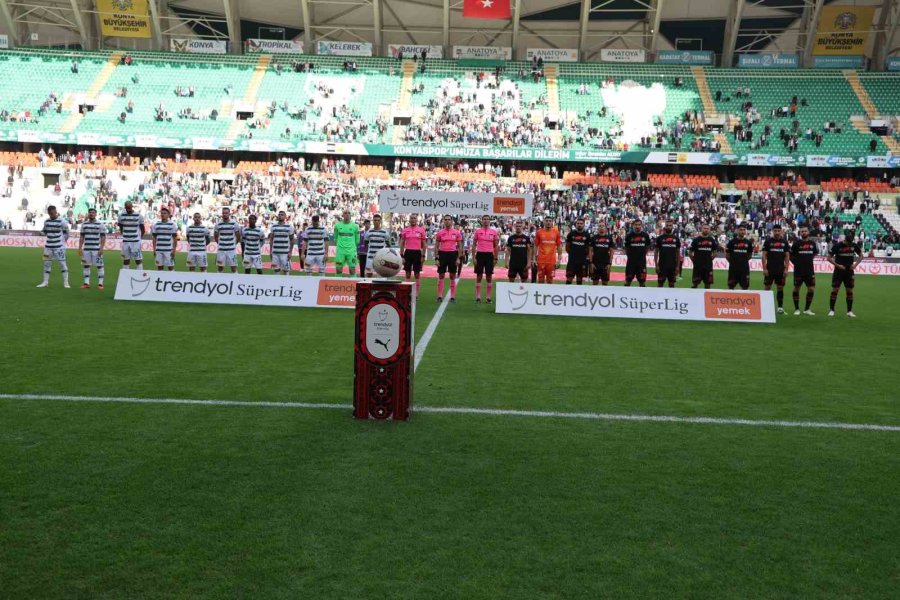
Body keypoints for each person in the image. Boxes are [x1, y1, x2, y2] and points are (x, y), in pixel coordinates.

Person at [827, 230, 863, 318]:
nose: (849, 245)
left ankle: (849, 311)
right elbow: (828, 258)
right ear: (845, 239)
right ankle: (831, 310)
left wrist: (855, 265)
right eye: (848, 243)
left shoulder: (853, 245)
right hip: (838, 271)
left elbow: (861, 255)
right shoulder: (837, 245)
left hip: (849, 272)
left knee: (849, 291)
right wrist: (838, 265)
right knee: (835, 290)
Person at [36, 205, 69, 288]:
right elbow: (45, 231)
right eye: (50, 213)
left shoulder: (62, 221)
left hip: (59, 247)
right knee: (47, 264)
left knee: (62, 263)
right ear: (48, 213)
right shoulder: (46, 221)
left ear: (56, 211)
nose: (52, 215)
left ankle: (66, 283)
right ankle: (45, 282)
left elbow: (67, 233)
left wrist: (63, 242)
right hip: (48, 246)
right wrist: (41, 233)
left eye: (53, 213)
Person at [434, 215, 463, 302]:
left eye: (449, 220)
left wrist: (458, 258)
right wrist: (436, 258)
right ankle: (439, 296)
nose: (447, 221)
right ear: (443, 221)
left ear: (451, 221)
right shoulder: (440, 233)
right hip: (442, 254)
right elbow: (436, 246)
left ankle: (452, 296)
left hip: (453, 254)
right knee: (441, 275)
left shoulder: (457, 232)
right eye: (445, 220)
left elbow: (460, 247)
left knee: (452, 275)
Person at [762, 224, 790, 314]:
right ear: (772, 231)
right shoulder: (768, 242)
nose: (777, 232)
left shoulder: (784, 242)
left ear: (781, 231)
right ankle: (764, 307)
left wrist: (786, 269)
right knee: (767, 287)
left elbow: (787, 256)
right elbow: (764, 256)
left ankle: (780, 307)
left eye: (778, 231)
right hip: (770, 269)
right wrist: (764, 268)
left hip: (780, 269)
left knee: (780, 287)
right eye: (775, 231)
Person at [790, 225, 818, 315]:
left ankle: (807, 309)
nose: (803, 233)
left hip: (809, 270)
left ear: (808, 232)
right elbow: (790, 255)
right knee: (796, 289)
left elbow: (814, 253)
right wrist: (796, 263)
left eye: (805, 231)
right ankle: (797, 309)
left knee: (811, 289)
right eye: (802, 231)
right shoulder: (796, 244)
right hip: (798, 271)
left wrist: (807, 260)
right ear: (800, 233)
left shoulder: (812, 244)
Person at [472, 215, 500, 303]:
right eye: (484, 219)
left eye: (487, 219)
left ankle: (488, 298)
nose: (486, 221)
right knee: (479, 276)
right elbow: (474, 245)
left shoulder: (494, 232)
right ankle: (478, 297)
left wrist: (495, 257)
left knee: (489, 276)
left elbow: (496, 246)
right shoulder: (477, 231)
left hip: (489, 255)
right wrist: (473, 257)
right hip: (480, 254)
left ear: (489, 221)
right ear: (482, 220)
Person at [78, 207, 106, 289]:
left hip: (96, 249)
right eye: (90, 212)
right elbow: (82, 237)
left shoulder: (100, 224)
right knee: (86, 265)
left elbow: (103, 237)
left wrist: (101, 248)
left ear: (96, 214)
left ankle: (100, 284)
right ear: (88, 214)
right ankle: (86, 283)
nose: (91, 214)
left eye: (93, 212)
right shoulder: (84, 224)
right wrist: (80, 248)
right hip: (86, 249)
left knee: (100, 266)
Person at [399, 214, 426, 295]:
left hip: (417, 253)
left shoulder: (421, 230)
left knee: (417, 274)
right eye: (411, 218)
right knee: (407, 273)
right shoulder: (405, 230)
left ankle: (416, 293)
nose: (413, 219)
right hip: (408, 252)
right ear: (409, 220)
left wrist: (423, 256)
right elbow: (402, 243)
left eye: (414, 218)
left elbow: (424, 244)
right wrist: (401, 255)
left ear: (417, 220)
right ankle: (407, 292)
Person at [689, 224, 719, 289]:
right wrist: (694, 260)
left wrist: (710, 259)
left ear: (709, 230)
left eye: (707, 228)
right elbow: (690, 252)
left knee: (708, 285)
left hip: (708, 266)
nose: (706, 230)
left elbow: (715, 252)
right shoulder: (696, 240)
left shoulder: (712, 240)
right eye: (704, 228)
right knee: (695, 285)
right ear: (701, 229)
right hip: (698, 266)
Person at [117, 200, 145, 270]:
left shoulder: (139, 215)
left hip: (135, 241)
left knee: (138, 260)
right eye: (127, 208)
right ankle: (126, 277)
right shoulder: (121, 215)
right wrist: (123, 234)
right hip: (126, 241)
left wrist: (139, 238)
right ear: (125, 207)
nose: (128, 209)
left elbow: (142, 229)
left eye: (129, 207)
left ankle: (139, 276)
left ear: (132, 206)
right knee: (126, 260)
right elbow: (120, 226)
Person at [534, 216, 562, 284]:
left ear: (552, 222)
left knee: (550, 281)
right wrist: (534, 258)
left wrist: (559, 260)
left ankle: (548, 294)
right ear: (544, 222)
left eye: (550, 221)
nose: (548, 222)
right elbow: (535, 245)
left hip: (551, 262)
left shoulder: (556, 232)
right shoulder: (539, 232)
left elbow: (559, 246)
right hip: (541, 261)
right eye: (547, 221)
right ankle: (541, 294)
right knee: (540, 281)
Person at [653, 220, 681, 288]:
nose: (668, 227)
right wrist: (656, 265)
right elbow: (656, 252)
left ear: (672, 227)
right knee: (660, 284)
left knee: (671, 285)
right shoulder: (659, 238)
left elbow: (678, 253)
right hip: (662, 265)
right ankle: (658, 298)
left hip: (672, 266)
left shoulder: (676, 239)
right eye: (667, 225)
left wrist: (677, 266)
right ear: (665, 226)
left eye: (670, 225)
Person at [725, 224, 753, 290]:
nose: (742, 231)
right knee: (731, 287)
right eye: (741, 230)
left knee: (745, 287)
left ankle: (744, 300)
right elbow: (727, 255)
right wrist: (733, 262)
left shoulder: (748, 242)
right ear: (737, 231)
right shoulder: (732, 242)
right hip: (733, 269)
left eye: (744, 230)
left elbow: (750, 255)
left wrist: (743, 261)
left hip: (744, 269)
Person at [623, 219, 650, 287]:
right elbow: (626, 248)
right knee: (627, 282)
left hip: (641, 263)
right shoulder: (629, 236)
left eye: (639, 225)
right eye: (636, 225)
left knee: (642, 283)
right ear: (633, 225)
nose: (637, 226)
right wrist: (630, 256)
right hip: (631, 263)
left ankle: (642, 297)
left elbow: (647, 247)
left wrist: (642, 255)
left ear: (641, 225)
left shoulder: (645, 236)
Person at [333, 209, 360, 277]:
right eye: (345, 213)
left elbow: (357, 240)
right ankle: (337, 285)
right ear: (343, 215)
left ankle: (354, 286)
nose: (347, 214)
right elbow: (335, 238)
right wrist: (340, 246)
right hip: (340, 252)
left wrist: (352, 247)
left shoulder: (355, 226)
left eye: (348, 213)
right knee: (338, 269)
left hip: (351, 251)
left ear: (351, 215)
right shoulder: (337, 226)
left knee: (352, 270)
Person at [151, 207, 179, 271]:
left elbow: (175, 238)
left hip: (168, 250)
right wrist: (154, 249)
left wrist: (174, 250)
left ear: (168, 215)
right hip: (159, 250)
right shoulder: (156, 225)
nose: (163, 214)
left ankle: (172, 280)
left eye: (165, 213)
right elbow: (154, 238)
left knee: (171, 267)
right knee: (160, 268)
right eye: (162, 213)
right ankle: (161, 280)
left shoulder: (172, 224)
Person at [214, 207, 241, 273]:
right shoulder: (218, 224)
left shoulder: (234, 223)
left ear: (229, 214)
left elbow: (238, 235)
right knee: (220, 267)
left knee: (233, 267)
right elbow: (216, 236)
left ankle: (236, 282)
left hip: (231, 250)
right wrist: (220, 243)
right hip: (221, 250)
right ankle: (219, 282)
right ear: (221, 214)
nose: (224, 214)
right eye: (223, 213)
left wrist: (234, 244)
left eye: (226, 213)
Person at [268, 211, 295, 275]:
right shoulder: (273, 226)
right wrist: (270, 251)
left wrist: (290, 252)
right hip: (275, 253)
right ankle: (276, 285)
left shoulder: (289, 227)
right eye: (279, 214)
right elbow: (271, 239)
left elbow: (292, 240)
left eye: (282, 215)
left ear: (285, 217)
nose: (280, 216)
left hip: (285, 253)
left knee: (286, 272)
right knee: (276, 271)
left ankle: (286, 285)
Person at [564, 217, 590, 285]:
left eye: (581, 223)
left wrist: (584, 256)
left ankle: (578, 295)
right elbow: (567, 248)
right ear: (575, 224)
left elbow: (588, 248)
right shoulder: (571, 234)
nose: (579, 225)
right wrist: (572, 254)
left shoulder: (587, 235)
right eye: (578, 223)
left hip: (582, 261)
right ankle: (566, 294)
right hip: (572, 261)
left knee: (579, 280)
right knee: (569, 279)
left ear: (584, 225)